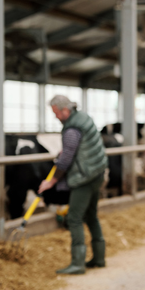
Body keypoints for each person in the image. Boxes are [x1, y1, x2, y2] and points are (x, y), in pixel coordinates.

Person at [38, 95, 108, 275]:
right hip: (97, 173)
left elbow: (67, 158)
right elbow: (78, 147)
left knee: (74, 218)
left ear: (65, 110)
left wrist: (51, 181)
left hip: (84, 177)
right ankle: (99, 258)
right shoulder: (83, 118)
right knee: (91, 215)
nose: (55, 117)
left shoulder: (72, 129)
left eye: (56, 113)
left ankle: (78, 263)